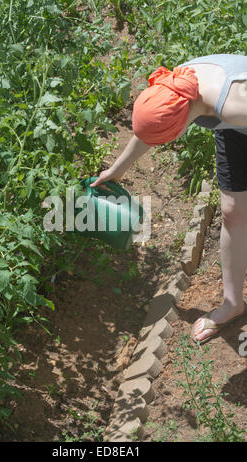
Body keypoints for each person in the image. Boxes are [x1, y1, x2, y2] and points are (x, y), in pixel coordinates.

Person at [90, 54, 247, 345]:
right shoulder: (175, 89)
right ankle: (233, 303)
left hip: (240, 118)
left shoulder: (235, 105)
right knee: (232, 212)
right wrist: (116, 170)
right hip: (233, 128)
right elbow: (153, 124)